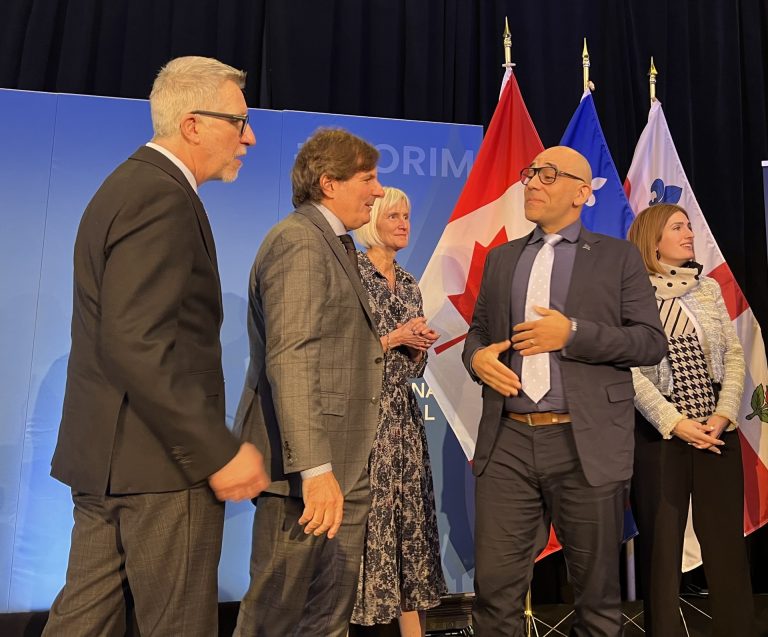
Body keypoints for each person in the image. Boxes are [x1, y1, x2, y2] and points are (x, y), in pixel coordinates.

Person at [43, 56, 269, 636]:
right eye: (238, 121)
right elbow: (135, 341)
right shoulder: (162, 197)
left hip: (109, 466)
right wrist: (216, 448)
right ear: (192, 124)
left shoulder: (128, 185)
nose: (250, 135)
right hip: (162, 473)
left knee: (82, 624)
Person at [462, 146, 668, 636]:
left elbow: (650, 341)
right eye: (529, 172)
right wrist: (476, 358)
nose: (532, 182)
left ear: (581, 192)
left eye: (547, 175)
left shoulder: (618, 258)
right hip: (508, 442)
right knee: (494, 591)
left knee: (596, 598)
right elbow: (478, 332)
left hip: (586, 441)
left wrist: (572, 334)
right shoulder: (502, 259)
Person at [233, 128, 385, 637]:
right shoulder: (299, 242)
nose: (379, 191)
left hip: (340, 467)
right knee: (274, 618)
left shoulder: (335, 244)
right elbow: (292, 357)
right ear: (329, 183)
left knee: (325, 620)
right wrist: (315, 469)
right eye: (367, 178)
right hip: (305, 472)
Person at [627, 203, 756, 637]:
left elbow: (733, 355)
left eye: (688, 226)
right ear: (652, 238)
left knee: (726, 548)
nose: (688, 233)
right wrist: (674, 421)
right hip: (660, 435)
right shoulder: (630, 292)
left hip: (718, 431)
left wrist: (723, 413)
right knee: (662, 551)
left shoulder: (707, 289)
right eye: (677, 227)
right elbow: (628, 370)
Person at [349, 187, 445, 636]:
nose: (404, 224)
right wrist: (394, 338)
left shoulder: (408, 283)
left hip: (403, 423)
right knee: (364, 537)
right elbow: (339, 350)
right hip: (363, 421)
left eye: (408, 216)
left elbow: (414, 366)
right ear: (373, 220)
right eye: (395, 216)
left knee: (411, 535)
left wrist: (419, 342)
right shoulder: (351, 272)